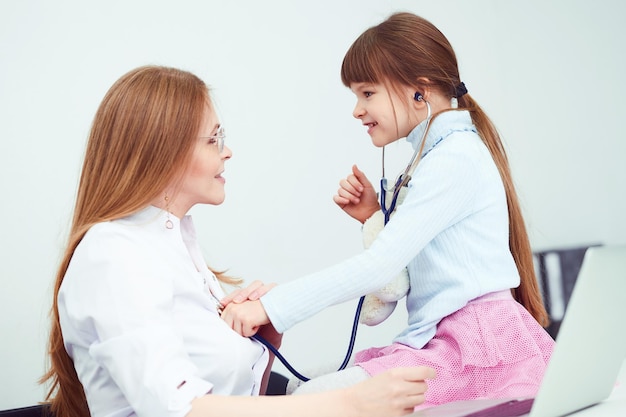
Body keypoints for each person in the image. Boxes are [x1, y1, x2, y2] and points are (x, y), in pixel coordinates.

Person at [39, 65, 436, 417]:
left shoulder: (177, 247)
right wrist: (348, 405)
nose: (227, 151)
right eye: (214, 139)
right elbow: (177, 410)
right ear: (162, 153)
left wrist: (266, 339)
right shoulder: (112, 255)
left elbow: (242, 400)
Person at [220, 11, 555, 409]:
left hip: (479, 349)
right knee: (304, 393)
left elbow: (379, 268)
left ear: (420, 90)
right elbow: (396, 284)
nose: (357, 110)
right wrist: (373, 217)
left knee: (311, 400)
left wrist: (271, 308)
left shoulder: (454, 159)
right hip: (450, 340)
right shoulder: (435, 159)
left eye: (367, 93)